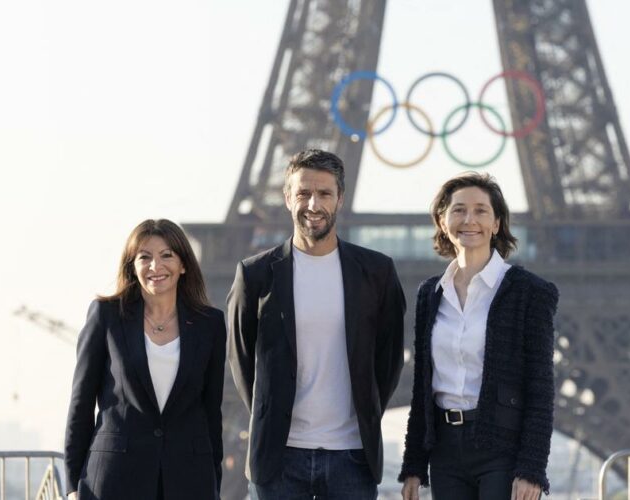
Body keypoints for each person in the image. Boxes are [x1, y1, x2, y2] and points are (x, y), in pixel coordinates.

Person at [227, 148, 406, 499]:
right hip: (279, 458)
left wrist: (364, 412)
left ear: (340, 198)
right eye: (303, 193)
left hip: (352, 456)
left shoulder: (377, 272)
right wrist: (270, 415)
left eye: (324, 193)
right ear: (287, 197)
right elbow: (241, 360)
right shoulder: (255, 274)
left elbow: (388, 359)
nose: (313, 204)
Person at [399, 173, 559, 500]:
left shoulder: (529, 292)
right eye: (458, 210)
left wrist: (531, 468)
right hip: (444, 450)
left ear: (497, 223)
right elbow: (422, 388)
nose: (469, 219)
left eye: (481, 211)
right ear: (443, 222)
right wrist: (414, 465)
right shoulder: (430, 294)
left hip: (501, 450)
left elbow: (539, 387)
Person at [64, 219, 226, 500]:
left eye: (166, 256)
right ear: (132, 266)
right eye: (145, 257)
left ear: (183, 264)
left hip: (188, 479)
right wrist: (72, 486)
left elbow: (211, 411)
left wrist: (213, 480)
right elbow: (81, 404)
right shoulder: (106, 316)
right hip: (114, 478)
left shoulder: (209, 324)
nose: (155, 266)